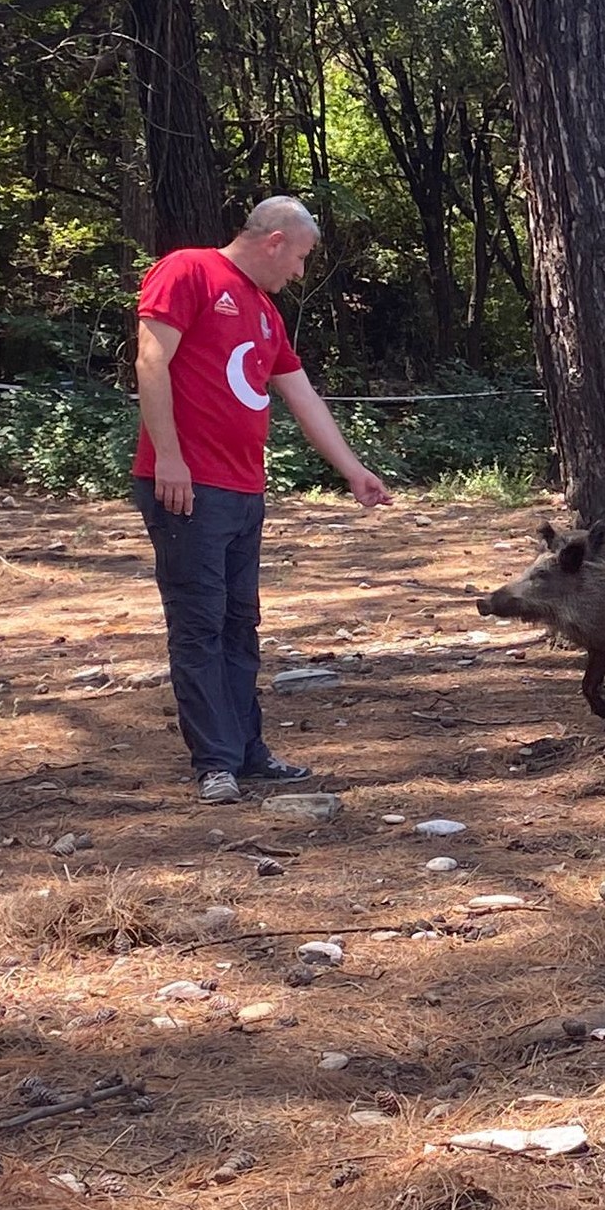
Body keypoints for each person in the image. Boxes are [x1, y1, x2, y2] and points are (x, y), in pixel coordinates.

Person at [132, 196, 392, 804]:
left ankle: (248, 752)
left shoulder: (266, 312)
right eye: (300, 258)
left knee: (239, 624)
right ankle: (214, 762)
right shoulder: (188, 270)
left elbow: (302, 398)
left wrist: (352, 470)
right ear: (275, 240)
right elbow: (151, 361)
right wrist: (170, 457)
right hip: (187, 486)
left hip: (245, 490)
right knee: (199, 624)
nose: (300, 272)